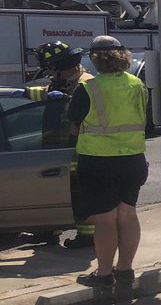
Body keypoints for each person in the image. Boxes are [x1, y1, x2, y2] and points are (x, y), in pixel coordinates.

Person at [67, 35, 149, 289]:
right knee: (127, 213)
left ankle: (103, 274)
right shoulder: (137, 84)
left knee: (105, 219)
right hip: (133, 160)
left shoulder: (88, 88)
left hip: (99, 161)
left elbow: (74, 126)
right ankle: (125, 270)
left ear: (94, 59)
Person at [17, 42, 96, 249]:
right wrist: (23, 93)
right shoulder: (64, 82)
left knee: (78, 194)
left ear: (60, 66)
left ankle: (87, 236)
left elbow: (79, 109)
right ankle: (48, 231)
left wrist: (66, 99)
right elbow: (49, 92)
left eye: (51, 70)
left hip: (75, 149)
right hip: (57, 146)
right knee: (52, 191)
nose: (50, 75)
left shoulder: (85, 83)